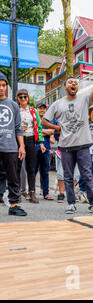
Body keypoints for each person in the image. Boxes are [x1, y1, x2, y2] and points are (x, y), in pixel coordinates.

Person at [41, 63, 93, 214]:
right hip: (66, 146)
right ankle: (71, 203)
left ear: (77, 87)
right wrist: (57, 128)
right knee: (68, 176)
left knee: (87, 175)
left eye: (76, 83)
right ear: (65, 87)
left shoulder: (84, 99)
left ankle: (92, 203)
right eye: (70, 82)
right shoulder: (57, 104)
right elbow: (43, 121)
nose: (73, 84)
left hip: (83, 144)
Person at [0, 72, 27, 216]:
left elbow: (18, 127)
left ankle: (14, 205)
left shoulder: (13, 105)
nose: (1, 88)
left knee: (13, 177)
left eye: (3, 85)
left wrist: (21, 146)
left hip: (10, 147)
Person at [16, 89, 45, 203]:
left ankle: (32, 192)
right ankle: (17, 192)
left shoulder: (33, 111)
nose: (23, 99)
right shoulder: (16, 110)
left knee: (31, 168)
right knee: (18, 167)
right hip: (19, 140)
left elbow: (38, 127)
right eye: (20, 97)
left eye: (25, 97)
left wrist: (41, 142)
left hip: (31, 139)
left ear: (28, 98)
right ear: (18, 99)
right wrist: (18, 129)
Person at [35, 102, 55, 200]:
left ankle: (46, 193)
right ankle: (31, 192)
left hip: (46, 149)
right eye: (40, 108)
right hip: (34, 149)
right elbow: (34, 131)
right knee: (33, 172)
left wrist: (39, 132)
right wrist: (44, 132)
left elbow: (52, 132)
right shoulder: (34, 120)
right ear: (36, 109)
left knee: (45, 172)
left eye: (44, 108)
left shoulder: (48, 121)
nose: (42, 110)